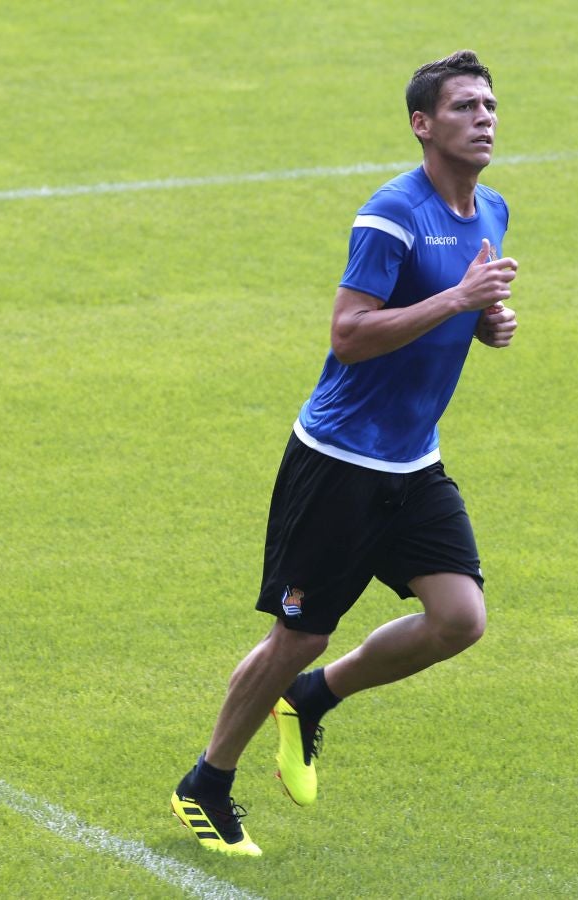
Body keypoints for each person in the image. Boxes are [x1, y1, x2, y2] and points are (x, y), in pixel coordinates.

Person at [171, 49, 519, 856]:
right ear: (422, 125)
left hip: (412, 462)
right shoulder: (390, 213)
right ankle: (208, 782)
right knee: (300, 631)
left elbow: (457, 314)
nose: (485, 119)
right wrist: (459, 300)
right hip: (338, 463)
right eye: (466, 107)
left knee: (459, 618)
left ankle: (313, 701)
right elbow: (349, 335)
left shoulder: (493, 209)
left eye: (491, 106)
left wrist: (486, 322)